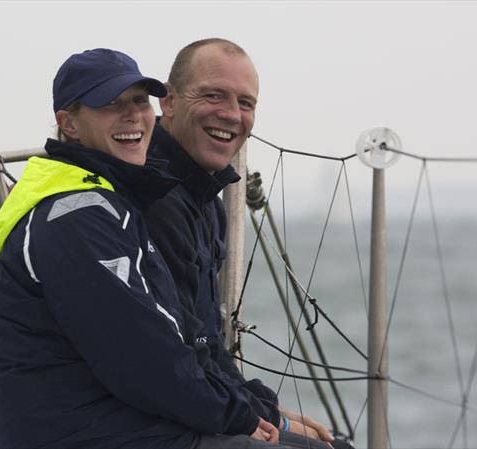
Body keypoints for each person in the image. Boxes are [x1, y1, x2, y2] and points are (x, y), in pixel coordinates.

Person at [0, 48, 292, 449]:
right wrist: (244, 416)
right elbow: (146, 360)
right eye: (110, 104)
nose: (132, 115)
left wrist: (256, 411)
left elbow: (186, 338)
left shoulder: (114, 200)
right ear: (69, 124)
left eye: (139, 101)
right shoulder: (76, 217)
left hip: (117, 421)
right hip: (79, 433)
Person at [143, 38, 343, 448]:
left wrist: (263, 407)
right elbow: (170, 360)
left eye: (245, 103)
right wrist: (262, 418)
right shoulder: (154, 198)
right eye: (213, 95)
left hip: (189, 400)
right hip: (152, 416)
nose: (231, 115)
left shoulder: (205, 203)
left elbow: (206, 344)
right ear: (169, 100)